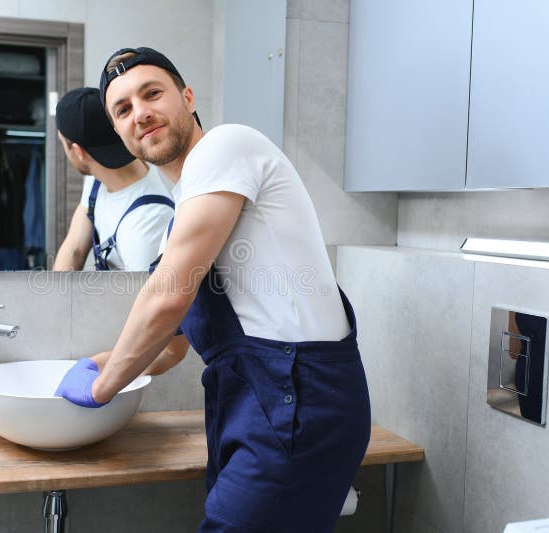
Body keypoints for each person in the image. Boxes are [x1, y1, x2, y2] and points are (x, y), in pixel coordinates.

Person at [55, 48, 371, 532]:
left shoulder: (228, 146)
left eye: (152, 93)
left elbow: (169, 295)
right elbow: (174, 347)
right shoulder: (183, 213)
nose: (140, 112)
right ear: (118, 133)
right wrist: (104, 358)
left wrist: (104, 386)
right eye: (123, 109)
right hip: (250, 403)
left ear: (186, 96)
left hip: (300, 396)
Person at [52, 87, 175, 271]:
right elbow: (75, 249)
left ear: (79, 152)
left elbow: (146, 298)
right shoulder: (99, 174)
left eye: (63, 143)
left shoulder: (147, 223)